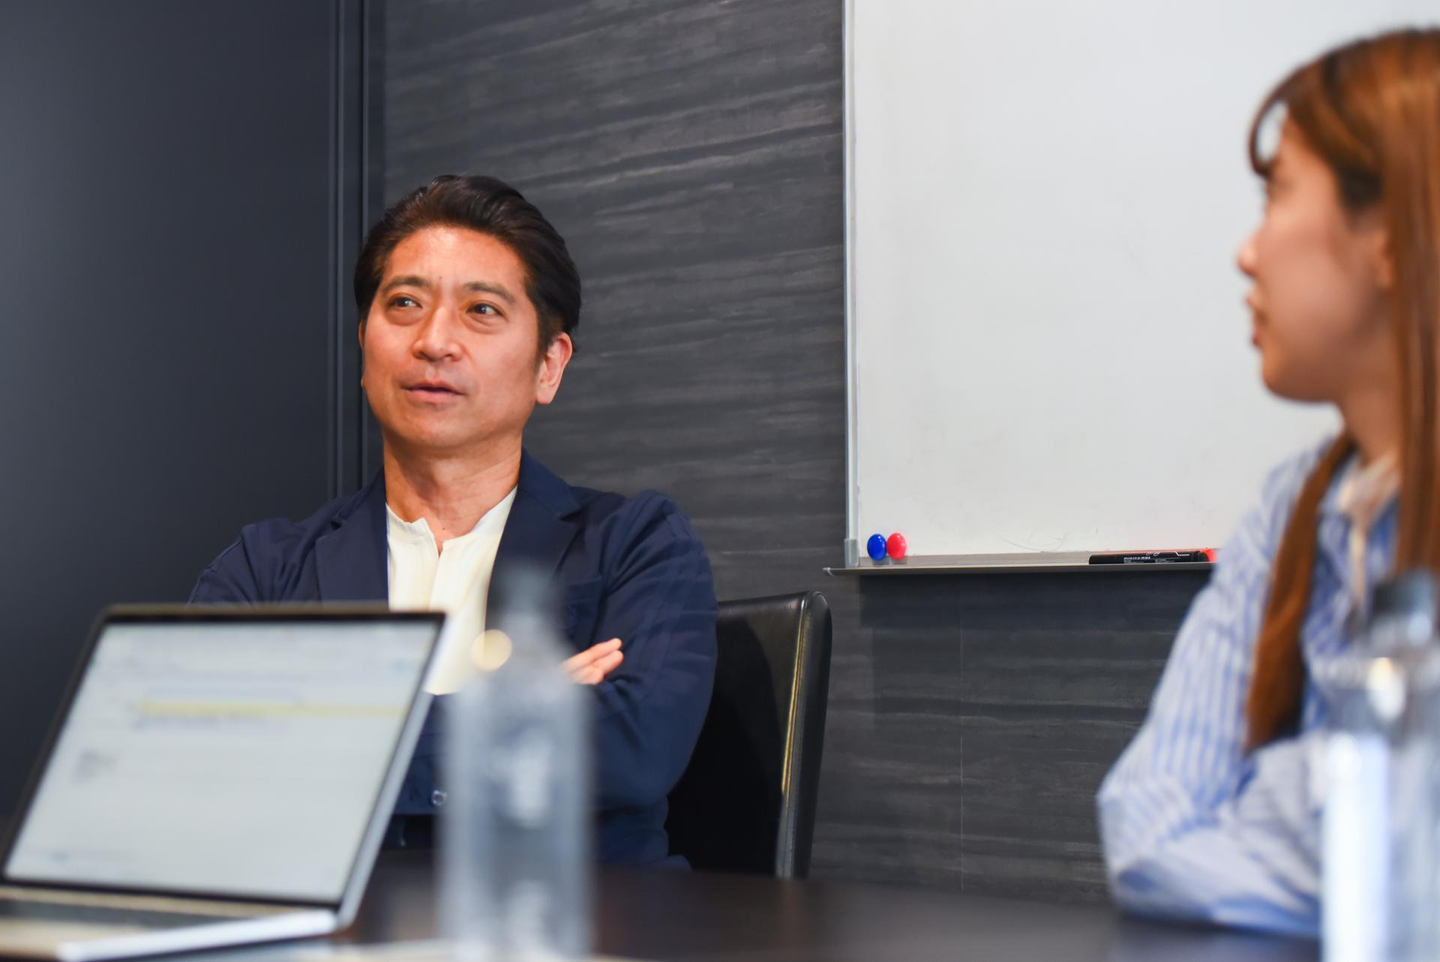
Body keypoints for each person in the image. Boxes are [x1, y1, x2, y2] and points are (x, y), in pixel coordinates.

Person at [191, 175, 718, 864]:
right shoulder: (266, 568)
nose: (434, 340)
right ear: (364, 344)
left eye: (481, 310)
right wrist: (513, 717)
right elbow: (200, 757)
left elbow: (633, 748)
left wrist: (323, 733)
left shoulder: (636, 544)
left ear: (548, 365)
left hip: (567, 916)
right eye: (405, 304)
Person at [1097, 28, 1440, 934]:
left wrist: (1281, 787)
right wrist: (1359, 787)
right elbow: (1145, 826)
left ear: (1391, 235)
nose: (1247, 254)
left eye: (1277, 195)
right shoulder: (1291, 508)